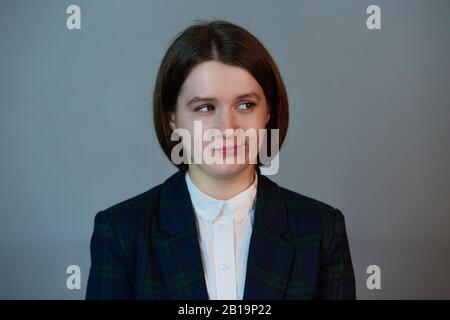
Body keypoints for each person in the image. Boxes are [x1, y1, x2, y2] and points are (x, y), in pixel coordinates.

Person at [86, 20, 356, 300]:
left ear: (268, 113)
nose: (228, 128)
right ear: (172, 118)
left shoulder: (321, 230)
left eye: (245, 105)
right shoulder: (121, 233)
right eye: (205, 107)